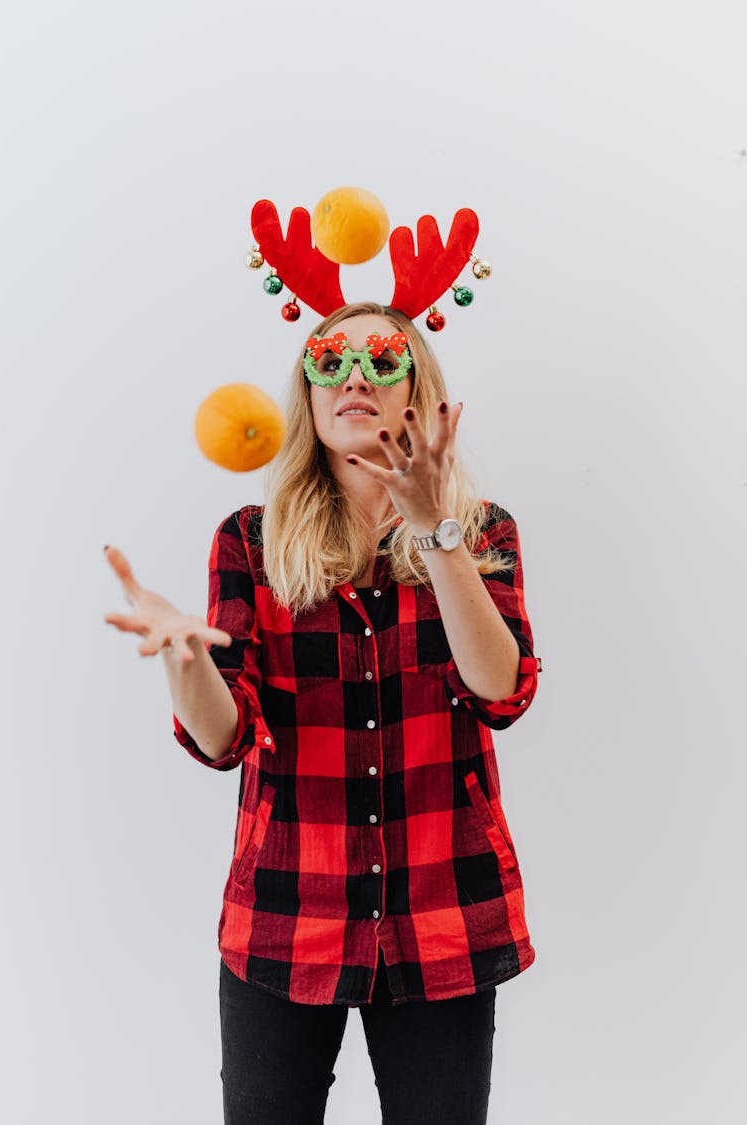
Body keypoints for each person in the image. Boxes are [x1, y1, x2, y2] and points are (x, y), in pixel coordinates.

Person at [103, 300, 542, 1124]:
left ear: (417, 388)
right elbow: (224, 734)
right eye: (328, 361)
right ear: (304, 395)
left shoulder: (483, 534)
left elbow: (501, 689)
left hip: (443, 912)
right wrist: (185, 657)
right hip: (284, 913)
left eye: (381, 359)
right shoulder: (251, 543)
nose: (353, 378)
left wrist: (436, 532)